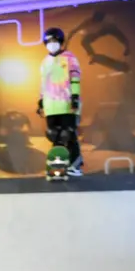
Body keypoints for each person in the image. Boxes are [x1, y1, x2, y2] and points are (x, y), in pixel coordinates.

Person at [38, 28, 84, 176]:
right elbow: (43, 83)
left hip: (67, 103)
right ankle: (58, 168)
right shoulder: (44, 62)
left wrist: (75, 97)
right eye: (48, 42)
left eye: (54, 41)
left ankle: (75, 165)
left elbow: (75, 77)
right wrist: (40, 100)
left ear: (60, 41)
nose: (51, 44)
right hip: (51, 105)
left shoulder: (69, 57)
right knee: (55, 136)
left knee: (68, 135)